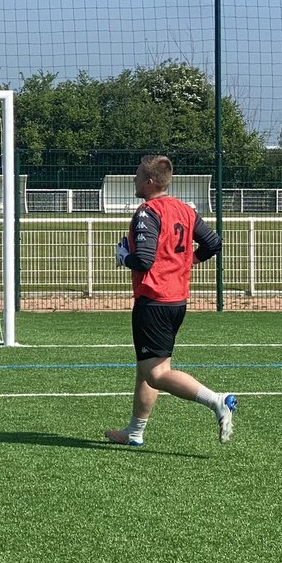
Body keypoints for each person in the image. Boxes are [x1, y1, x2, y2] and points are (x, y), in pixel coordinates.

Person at [104, 154, 236, 447]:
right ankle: (134, 432)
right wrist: (186, 262)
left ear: (150, 182)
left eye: (138, 175)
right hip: (177, 300)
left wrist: (124, 257)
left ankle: (217, 400)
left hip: (154, 300)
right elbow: (213, 243)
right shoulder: (184, 209)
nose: (134, 180)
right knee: (146, 367)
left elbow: (145, 259)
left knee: (156, 373)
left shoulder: (147, 211)